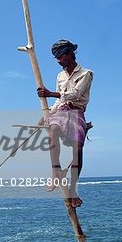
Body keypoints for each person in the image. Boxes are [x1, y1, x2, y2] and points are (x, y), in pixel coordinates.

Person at [37, 39, 93, 209]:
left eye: (60, 57)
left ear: (69, 54)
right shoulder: (60, 76)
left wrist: (51, 93)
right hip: (61, 112)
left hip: (76, 112)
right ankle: (56, 171)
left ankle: (72, 190)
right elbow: (59, 102)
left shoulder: (86, 74)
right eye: (56, 58)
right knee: (52, 129)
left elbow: (75, 94)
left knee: (78, 147)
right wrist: (46, 115)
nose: (58, 61)